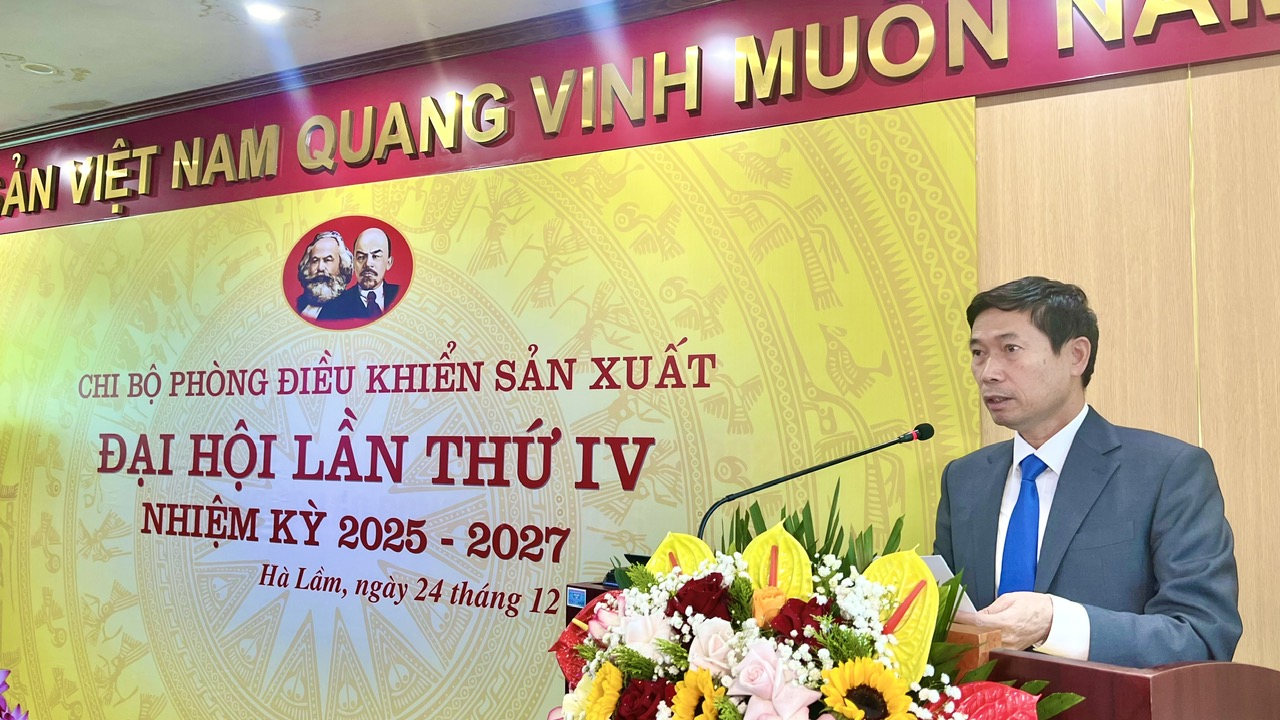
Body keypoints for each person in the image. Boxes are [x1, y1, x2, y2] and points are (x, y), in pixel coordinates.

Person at [934, 276, 1241, 668]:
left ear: (1076, 356)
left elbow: (1201, 635)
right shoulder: (964, 480)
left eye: (1010, 349)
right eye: (978, 353)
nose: (988, 372)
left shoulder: (1166, 472)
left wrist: (1054, 624)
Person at [318, 227, 400, 321]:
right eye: (361, 257)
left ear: (389, 263)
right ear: (353, 262)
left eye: (375, 256)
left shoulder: (400, 295)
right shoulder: (332, 308)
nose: (368, 264)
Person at [294, 230, 353, 319]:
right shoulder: (299, 304)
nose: (320, 268)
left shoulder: (350, 309)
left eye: (327, 260)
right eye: (315, 261)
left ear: (341, 266)